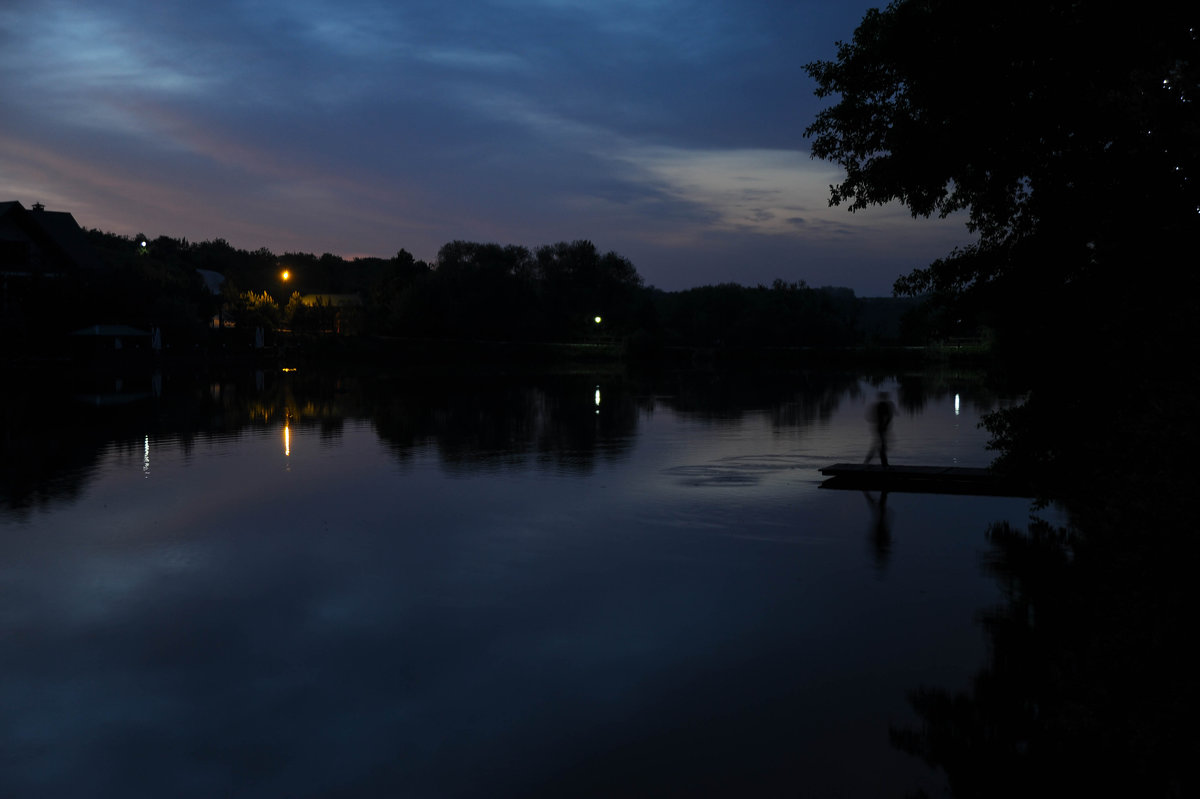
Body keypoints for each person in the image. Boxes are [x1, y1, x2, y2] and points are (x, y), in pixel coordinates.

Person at [864, 391, 896, 467]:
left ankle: (869, 461)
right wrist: (885, 424)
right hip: (881, 427)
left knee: (879, 445)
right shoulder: (883, 405)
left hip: (879, 427)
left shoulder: (881, 405)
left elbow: (870, 417)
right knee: (882, 446)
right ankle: (883, 464)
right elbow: (889, 417)